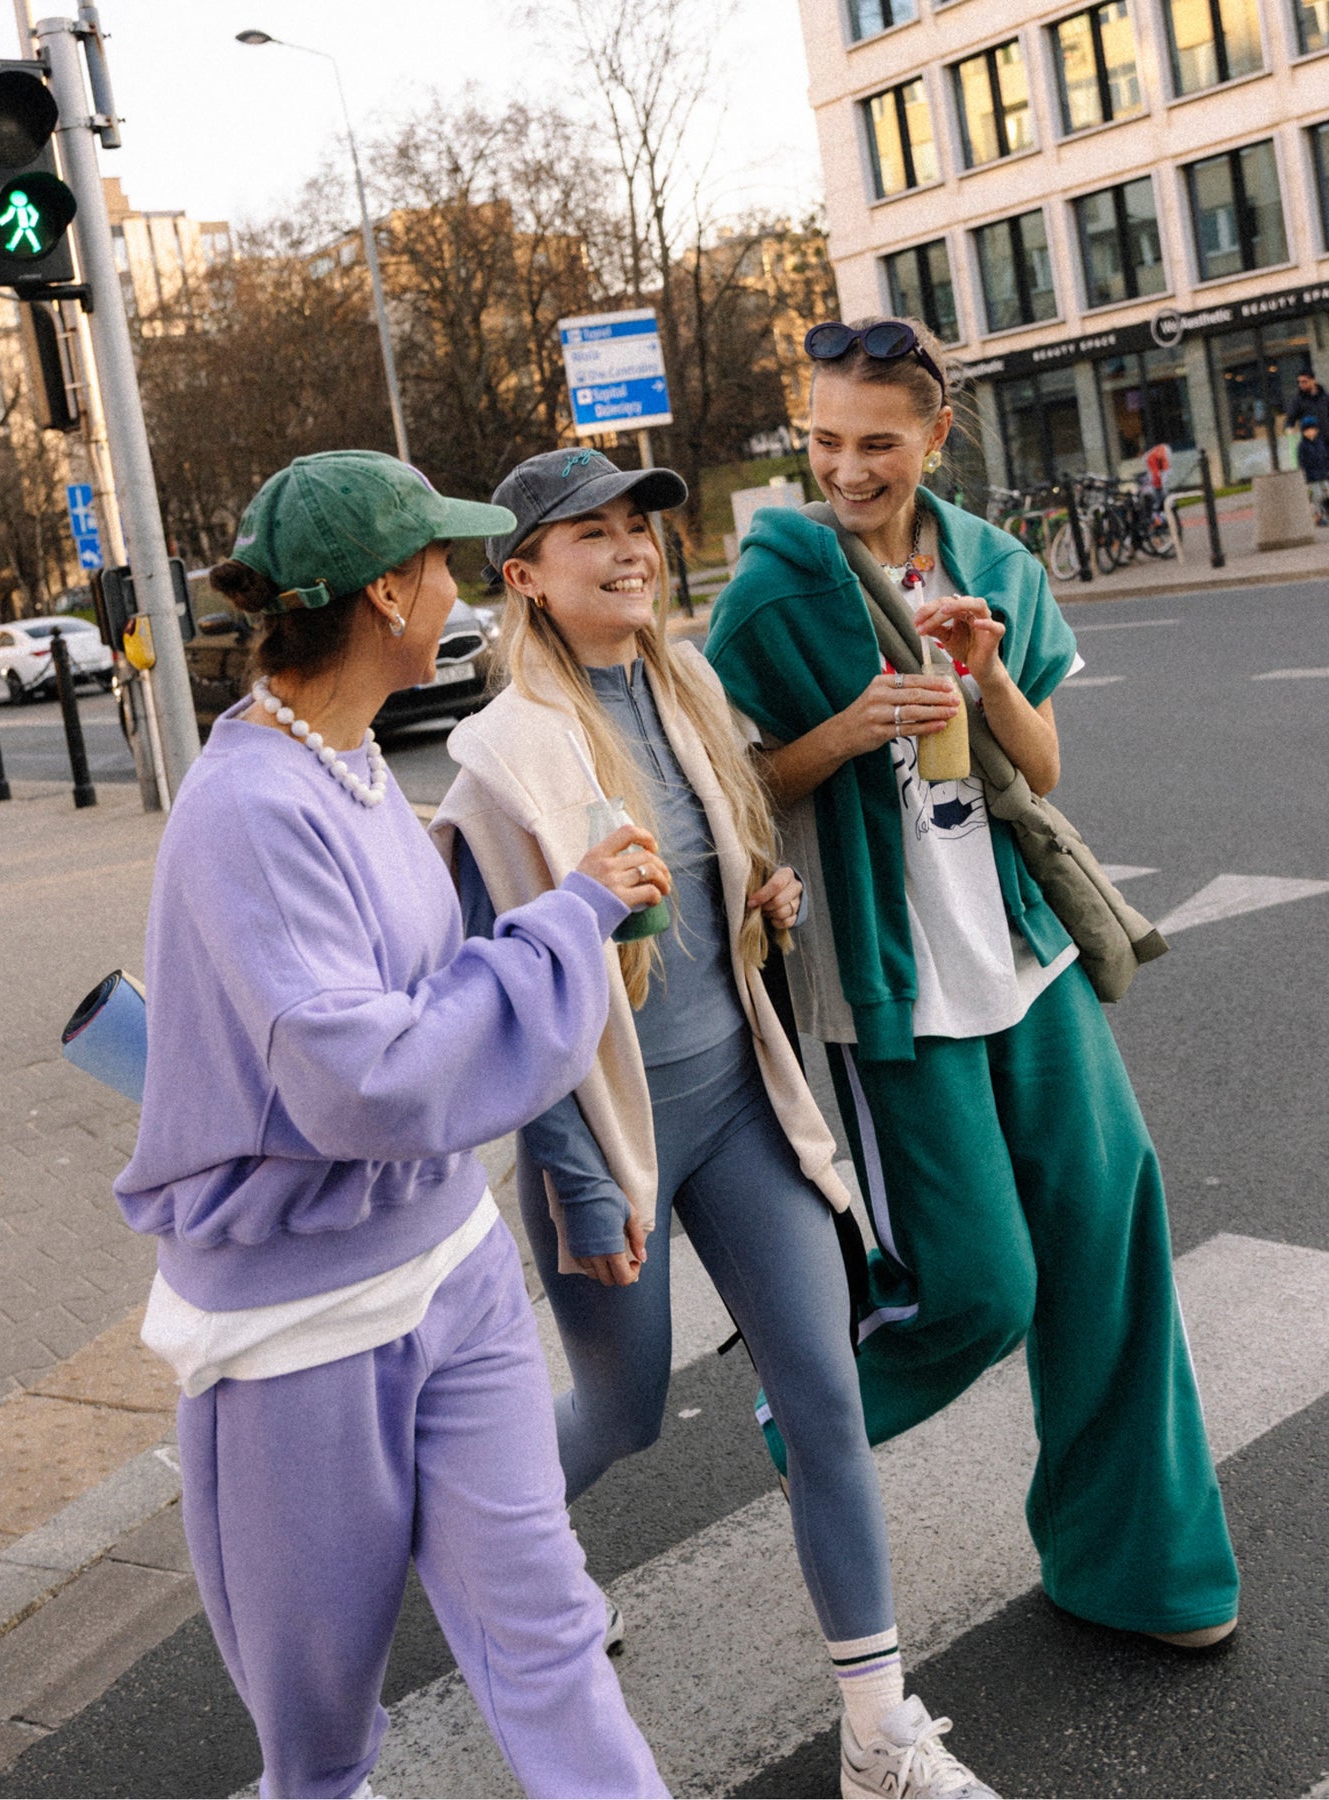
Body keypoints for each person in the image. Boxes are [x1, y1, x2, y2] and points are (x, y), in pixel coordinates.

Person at [432, 447, 996, 1800]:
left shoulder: (684, 689)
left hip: (741, 1103)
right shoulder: (499, 757)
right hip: (607, 1139)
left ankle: (877, 1734)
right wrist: (578, 1185)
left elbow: (705, 880)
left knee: (823, 1400)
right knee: (622, 1414)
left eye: (638, 527)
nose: (630, 549)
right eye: (591, 535)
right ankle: (477, 1547)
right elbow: (500, 1002)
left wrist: (756, 900)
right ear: (525, 576)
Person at [113, 450, 668, 1800]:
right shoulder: (245, 808)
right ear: (382, 596)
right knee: (318, 1740)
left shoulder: (352, 759)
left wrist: (557, 915)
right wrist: (568, 922)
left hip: (453, 1268)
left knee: (548, 1636)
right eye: (437, 566)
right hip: (302, 1326)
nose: (456, 591)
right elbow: (365, 1080)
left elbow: (419, 992)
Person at [705, 317, 1240, 1656]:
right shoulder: (771, 594)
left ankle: (1139, 1571)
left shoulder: (994, 564)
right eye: (824, 440)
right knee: (979, 1287)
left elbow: (1039, 769)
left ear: (934, 437)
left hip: (1020, 955)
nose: (846, 468)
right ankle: (811, 1409)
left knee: (1108, 1243)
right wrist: (846, 731)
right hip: (891, 986)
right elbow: (728, 794)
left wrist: (987, 672)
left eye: (875, 443)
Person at [1296, 414, 1329, 524]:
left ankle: (1324, 512)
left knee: (1326, 492)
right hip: (1311, 476)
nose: (1310, 432)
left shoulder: (1320, 443)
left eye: (1313, 429)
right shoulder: (1302, 446)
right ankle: (1318, 516)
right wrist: (1304, 474)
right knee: (1317, 496)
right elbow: (1302, 462)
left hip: (1322, 474)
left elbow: (1324, 457)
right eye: (1307, 430)